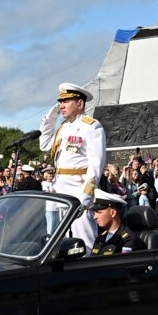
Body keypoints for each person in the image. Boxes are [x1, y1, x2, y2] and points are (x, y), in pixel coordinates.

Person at [40, 82, 107, 248]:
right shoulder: (63, 127)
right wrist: (52, 116)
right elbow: (45, 145)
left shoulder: (91, 126)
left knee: (84, 238)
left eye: (66, 101)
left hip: (78, 188)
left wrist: (86, 195)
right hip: (60, 188)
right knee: (62, 241)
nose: (61, 105)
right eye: (60, 102)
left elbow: (96, 164)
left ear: (79, 103)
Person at [89, 191, 146, 255]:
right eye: (95, 213)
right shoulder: (101, 237)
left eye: (99, 212)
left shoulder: (127, 240)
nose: (95, 217)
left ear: (113, 213)